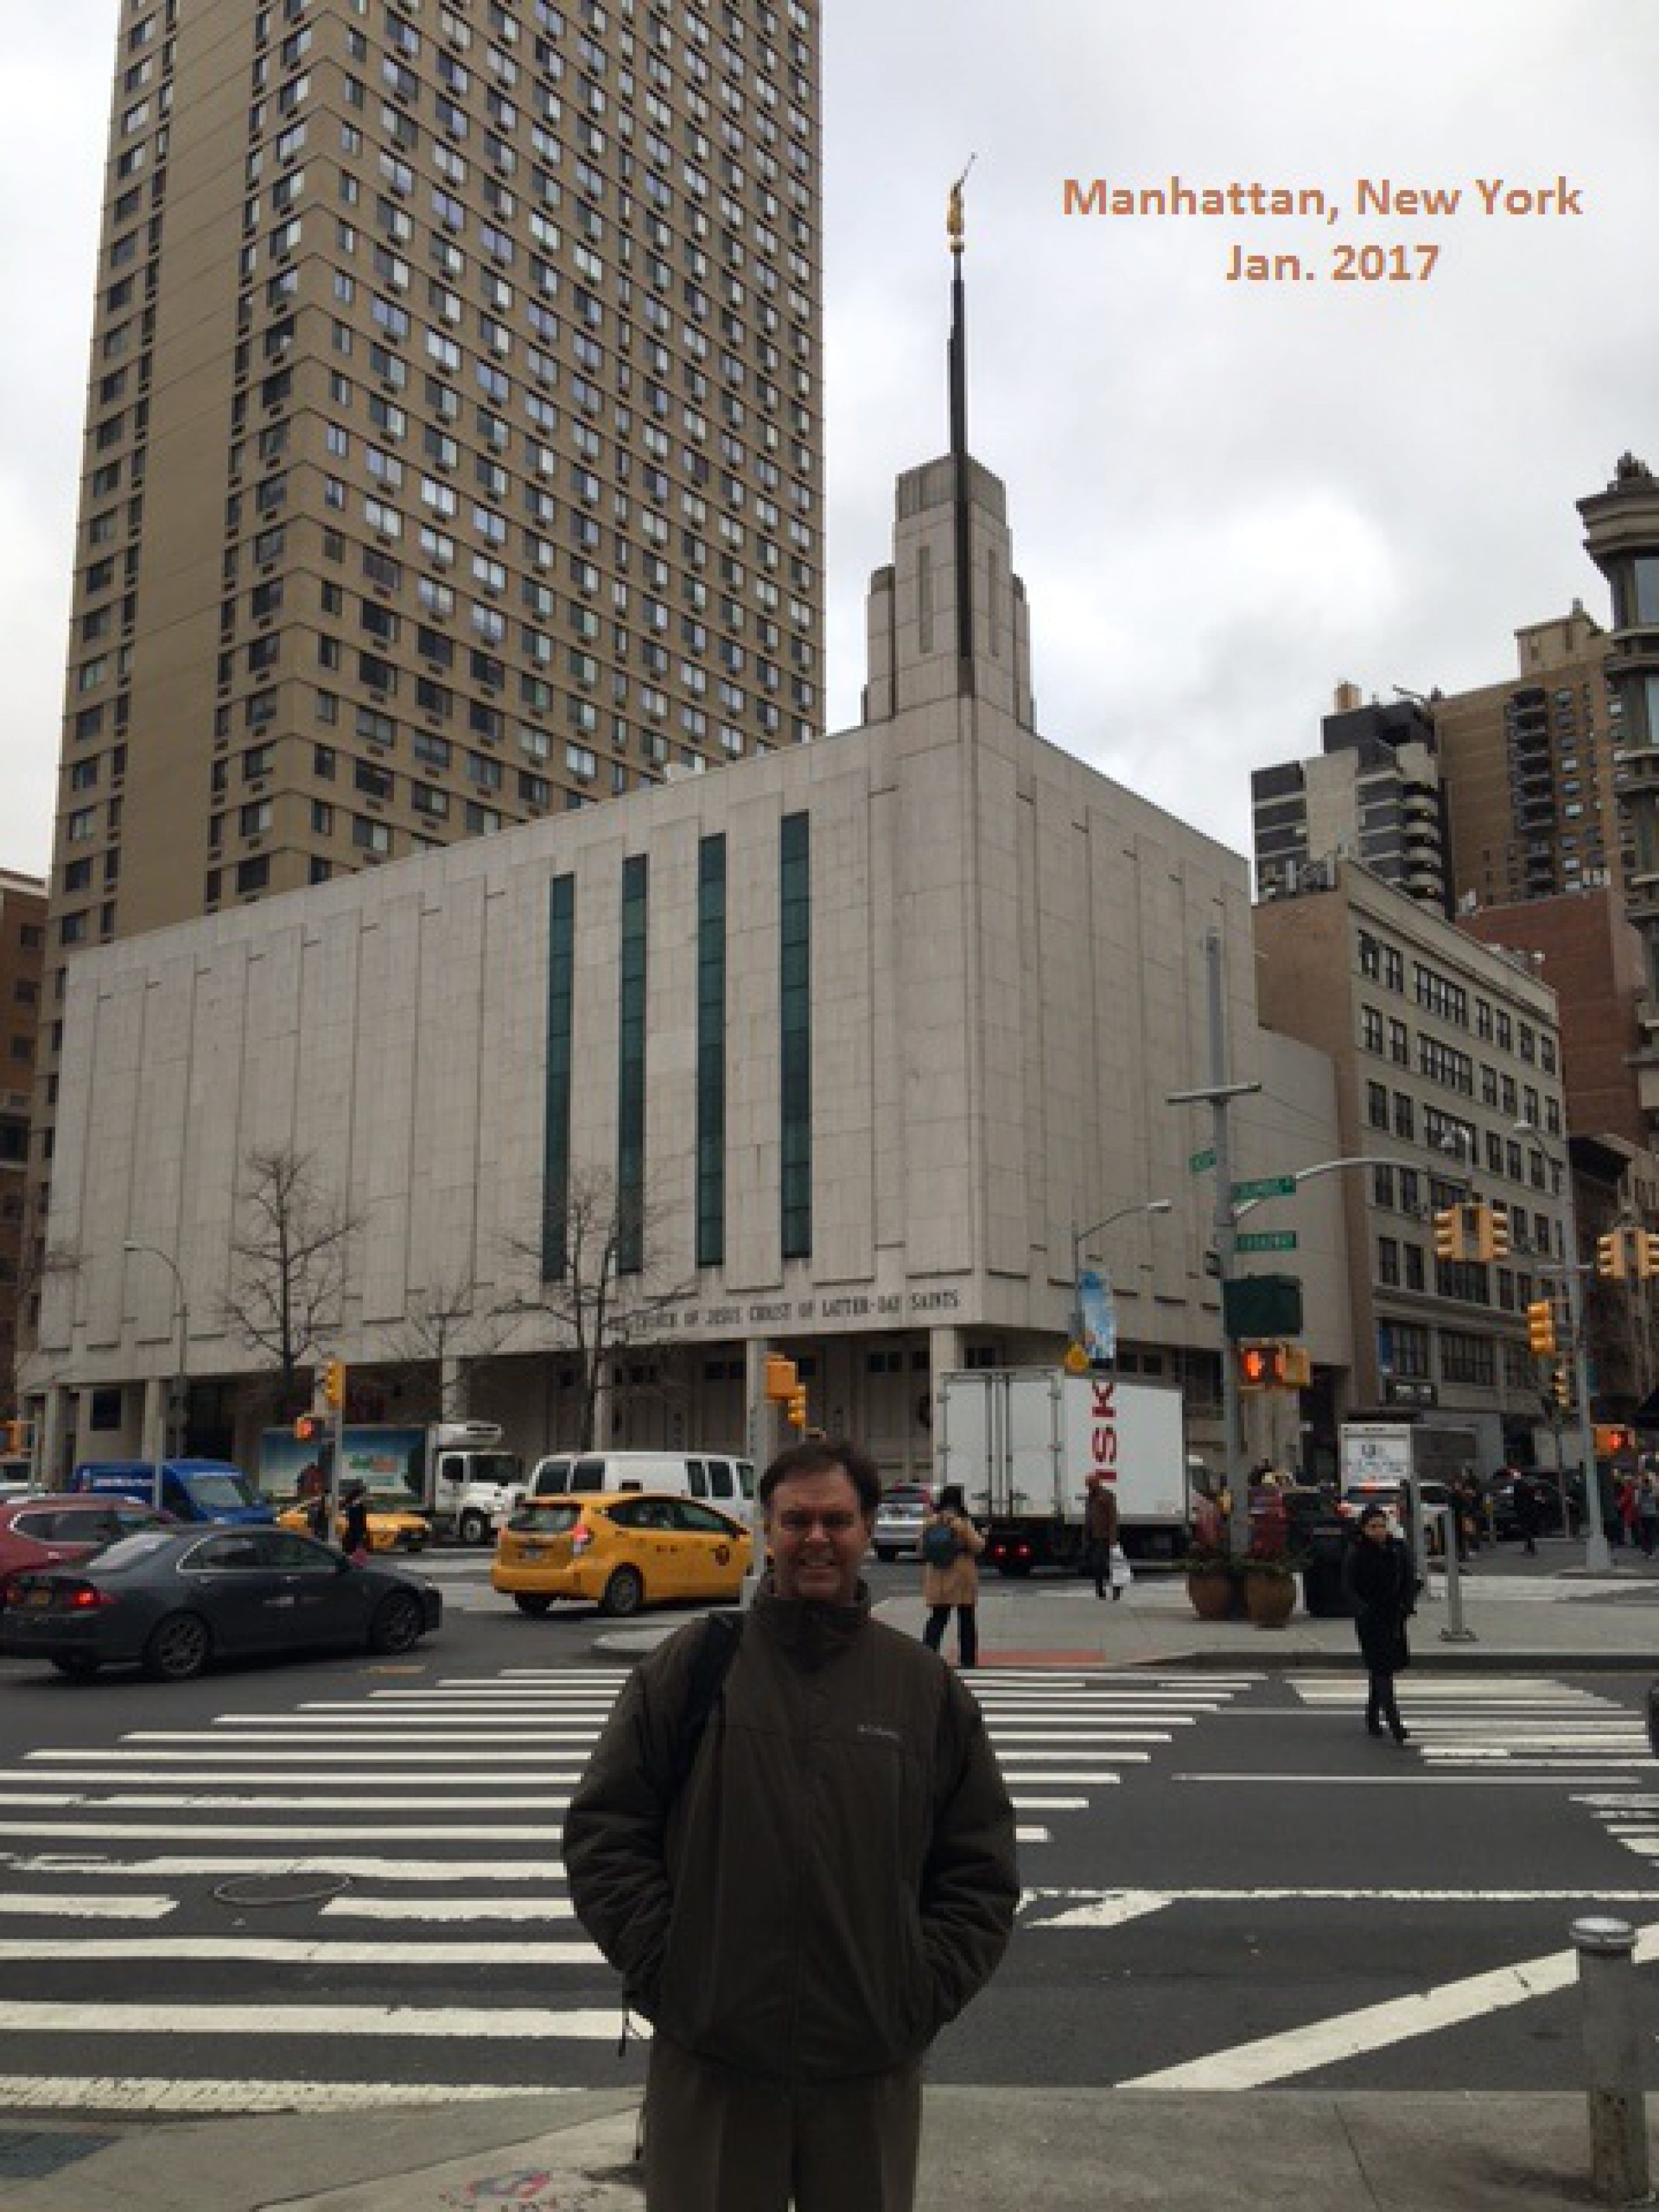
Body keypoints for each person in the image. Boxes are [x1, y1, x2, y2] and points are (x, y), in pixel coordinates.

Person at [562, 1437, 1018, 2212]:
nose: (815, 1538)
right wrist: (676, 1971)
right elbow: (606, 1828)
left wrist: (914, 1992)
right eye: (795, 1519)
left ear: (867, 1529)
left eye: (835, 1519)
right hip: (713, 2064)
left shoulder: (923, 1690)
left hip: (866, 2071)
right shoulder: (694, 1666)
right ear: (765, 1530)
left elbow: (978, 1870)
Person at [1341, 1504, 1414, 1744]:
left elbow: (1409, 1578)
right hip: (1370, 1617)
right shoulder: (1357, 1551)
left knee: (1384, 1666)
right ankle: (1395, 1723)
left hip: (1393, 1615)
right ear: (1363, 1529)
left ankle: (1372, 1716)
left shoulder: (1398, 1549)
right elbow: (1348, 1585)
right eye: (1373, 1527)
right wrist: (1361, 1609)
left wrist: (1406, 1605)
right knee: (1382, 1668)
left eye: (1382, 1526)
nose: (1379, 1531)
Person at [920, 1482, 984, 1663]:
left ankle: (927, 1657)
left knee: (938, 1619)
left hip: (938, 1576)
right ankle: (967, 1659)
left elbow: (921, 1547)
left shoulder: (931, 1521)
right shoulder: (961, 1522)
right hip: (961, 1576)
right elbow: (977, 1546)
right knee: (966, 1619)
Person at [1083, 1472, 1121, 1600]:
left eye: (1089, 1484)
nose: (1088, 1487)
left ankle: (1116, 1590)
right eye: (1087, 1484)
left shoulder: (1107, 1496)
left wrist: (1113, 1538)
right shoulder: (1090, 1498)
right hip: (1095, 1537)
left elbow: (1113, 1518)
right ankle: (1100, 1591)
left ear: (1096, 1484)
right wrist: (1086, 1536)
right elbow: (1088, 1518)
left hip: (1106, 1537)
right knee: (1097, 1565)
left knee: (1110, 1565)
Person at [341, 1480, 371, 1562]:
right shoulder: (360, 1507)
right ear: (359, 1496)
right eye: (364, 1494)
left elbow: (353, 1520)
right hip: (357, 1533)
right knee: (355, 1553)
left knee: (350, 1553)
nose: (365, 1497)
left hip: (351, 1532)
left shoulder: (351, 1506)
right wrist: (365, 1533)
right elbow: (362, 1521)